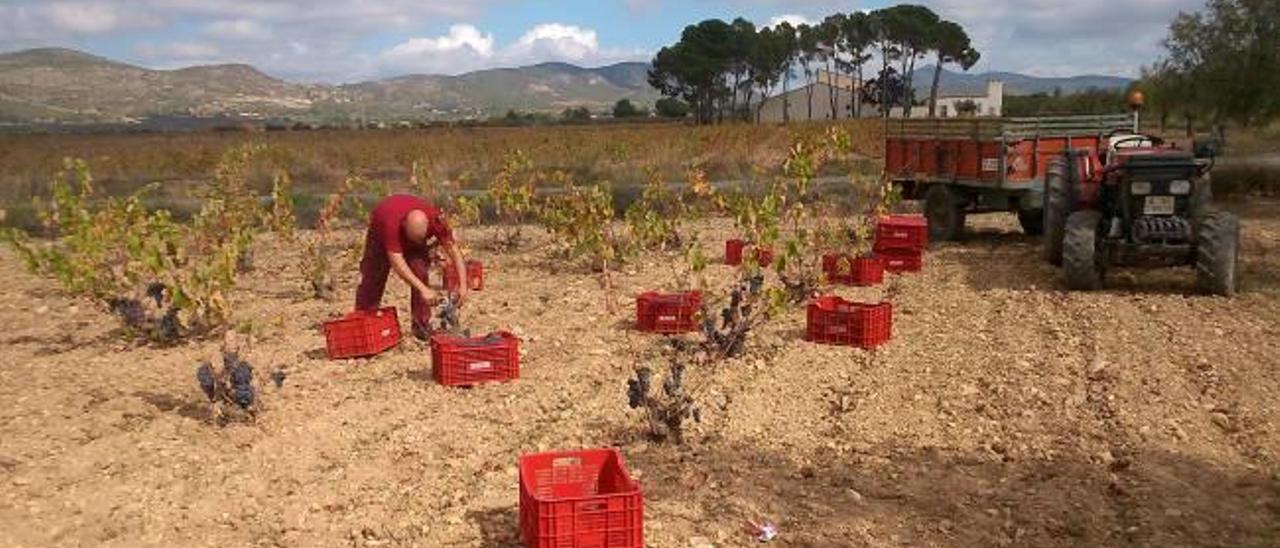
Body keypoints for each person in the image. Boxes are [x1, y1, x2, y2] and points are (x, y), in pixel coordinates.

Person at [355, 194, 467, 339]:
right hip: (380, 230)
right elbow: (397, 262)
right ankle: (362, 323)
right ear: (404, 226)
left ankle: (421, 326)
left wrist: (463, 285)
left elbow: (454, 251)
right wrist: (423, 289)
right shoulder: (390, 225)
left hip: (413, 233)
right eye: (411, 239)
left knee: (420, 270)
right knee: (373, 277)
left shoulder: (436, 221)